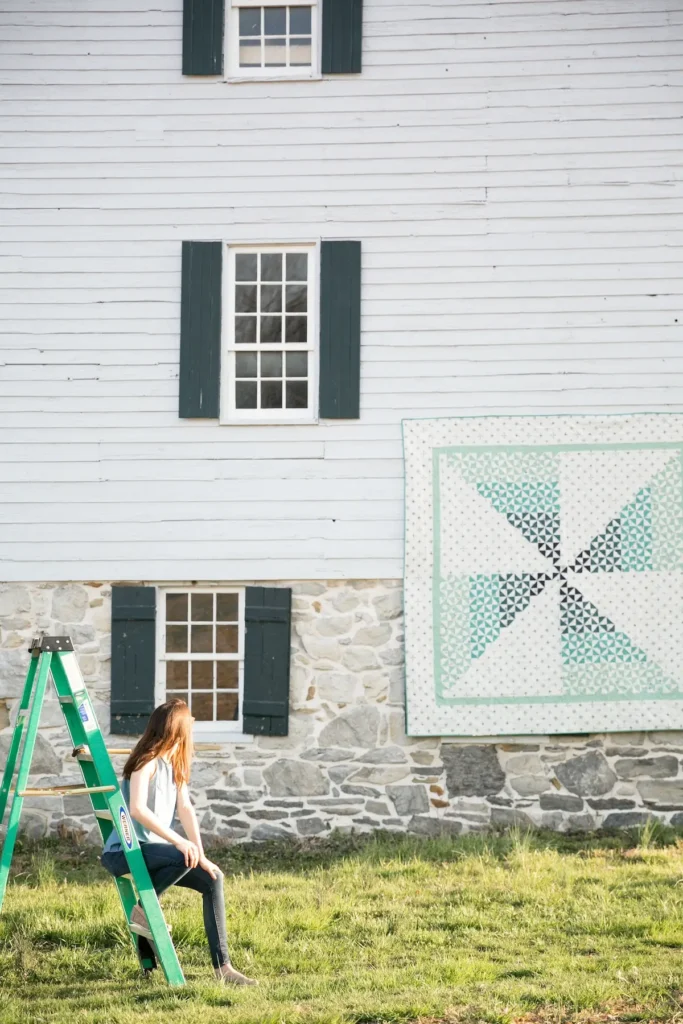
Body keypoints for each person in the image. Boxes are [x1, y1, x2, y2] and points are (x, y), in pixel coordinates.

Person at [101, 698, 256, 986]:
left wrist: (201, 853)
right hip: (124, 852)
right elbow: (137, 809)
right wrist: (180, 843)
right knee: (180, 854)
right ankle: (145, 909)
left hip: (156, 852)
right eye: (190, 726)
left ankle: (223, 968)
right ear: (177, 730)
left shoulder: (174, 765)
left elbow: (185, 809)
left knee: (213, 877)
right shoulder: (145, 762)